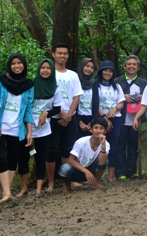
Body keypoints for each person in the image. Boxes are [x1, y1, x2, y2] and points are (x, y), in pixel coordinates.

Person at [0, 53, 34, 201]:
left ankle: (6, 193)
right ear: (9, 66)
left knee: (12, 159)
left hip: (18, 129)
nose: (17, 66)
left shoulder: (29, 86)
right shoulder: (0, 82)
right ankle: (6, 192)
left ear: (24, 65)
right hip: (0, 127)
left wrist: (29, 131)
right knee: (0, 158)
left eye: (19, 63)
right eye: (13, 63)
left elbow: (29, 109)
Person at [46, 43, 82, 192]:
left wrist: (68, 115)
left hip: (70, 118)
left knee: (68, 150)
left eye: (65, 53)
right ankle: (51, 182)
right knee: (51, 150)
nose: (62, 56)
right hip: (53, 118)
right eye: (59, 53)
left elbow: (76, 96)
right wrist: (60, 113)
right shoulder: (49, 73)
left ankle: (66, 182)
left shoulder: (72, 75)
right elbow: (46, 95)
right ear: (53, 54)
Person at [30, 59, 62, 196]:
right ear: (39, 69)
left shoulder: (55, 87)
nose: (45, 70)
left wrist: (46, 113)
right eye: (42, 67)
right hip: (28, 127)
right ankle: (23, 187)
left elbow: (57, 108)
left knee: (41, 156)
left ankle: (38, 189)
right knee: (26, 155)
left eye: (48, 68)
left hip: (44, 129)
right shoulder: (31, 85)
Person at [115, 55, 147, 179]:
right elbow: (113, 98)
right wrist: (124, 97)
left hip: (136, 119)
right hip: (121, 119)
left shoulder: (143, 82)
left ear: (138, 67)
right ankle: (120, 172)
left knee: (133, 146)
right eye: (129, 64)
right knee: (121, 146)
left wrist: (142, 96)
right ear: (125, 66)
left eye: (134, 64)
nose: (131, 66)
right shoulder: (117, 81)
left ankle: (131, 171)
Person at [91, 60, 124, 182]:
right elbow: (95, 103)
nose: (107, 73)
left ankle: (110, 176)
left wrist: (114, 110)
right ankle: (96, 174)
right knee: (97, 145)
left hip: (115, 118)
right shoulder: (96, 85)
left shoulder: (116, 86)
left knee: (114, 147)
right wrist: (105, 117)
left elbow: (121, 103)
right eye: (105, 70)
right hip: (100, 120)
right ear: (101, 71)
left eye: (110, 71)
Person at [58, 117, 110, 192]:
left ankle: (95, 183)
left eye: (101, 128)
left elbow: (102, 162)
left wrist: (103, 146)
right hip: (78, 170)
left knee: (106, 160)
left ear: (105, 131)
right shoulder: (81, 142)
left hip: (92, 169)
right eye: (96, 128)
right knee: (64, 169)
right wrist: (86, 172)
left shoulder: (106, 144)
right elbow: (71, 160)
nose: (98, 131)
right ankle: (67, 185)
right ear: (91, 129)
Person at [76, 58, 95, 139]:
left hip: (91, 119)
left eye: (92, 67)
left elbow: (96, 103)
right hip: (77, 118)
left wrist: (93, 122)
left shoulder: (94, 83)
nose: (89, 69)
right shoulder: (75, 81)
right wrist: (79, 122)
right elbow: (72, 103)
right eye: (87, 66)